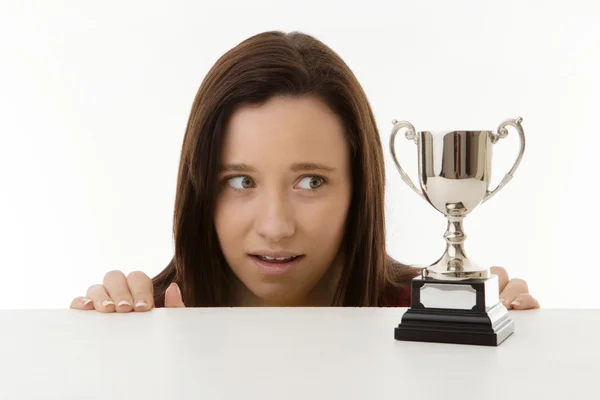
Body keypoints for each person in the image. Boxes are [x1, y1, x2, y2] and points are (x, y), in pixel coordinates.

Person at [70, 30, 539, 313]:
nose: (276, 226)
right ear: (200, 191)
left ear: (360, 189)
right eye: (240, 181)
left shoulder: (424, 310)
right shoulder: (148, 318)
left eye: (310, 182)